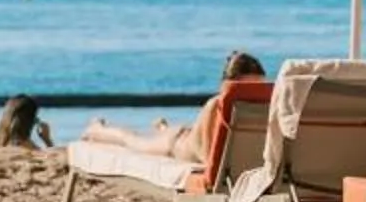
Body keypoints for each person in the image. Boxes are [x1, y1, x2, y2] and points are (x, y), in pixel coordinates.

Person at [75, 51, 266, 163]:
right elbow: (206, 155)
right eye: (246, 87)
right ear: (226, 86)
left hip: (189, 134)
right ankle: (96, 129)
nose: (252, 94)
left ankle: (162, 127)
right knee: (131, 140)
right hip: (175, 145)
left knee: (171, 132)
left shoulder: (261, 106)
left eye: (259, 87)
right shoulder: (214, 105)